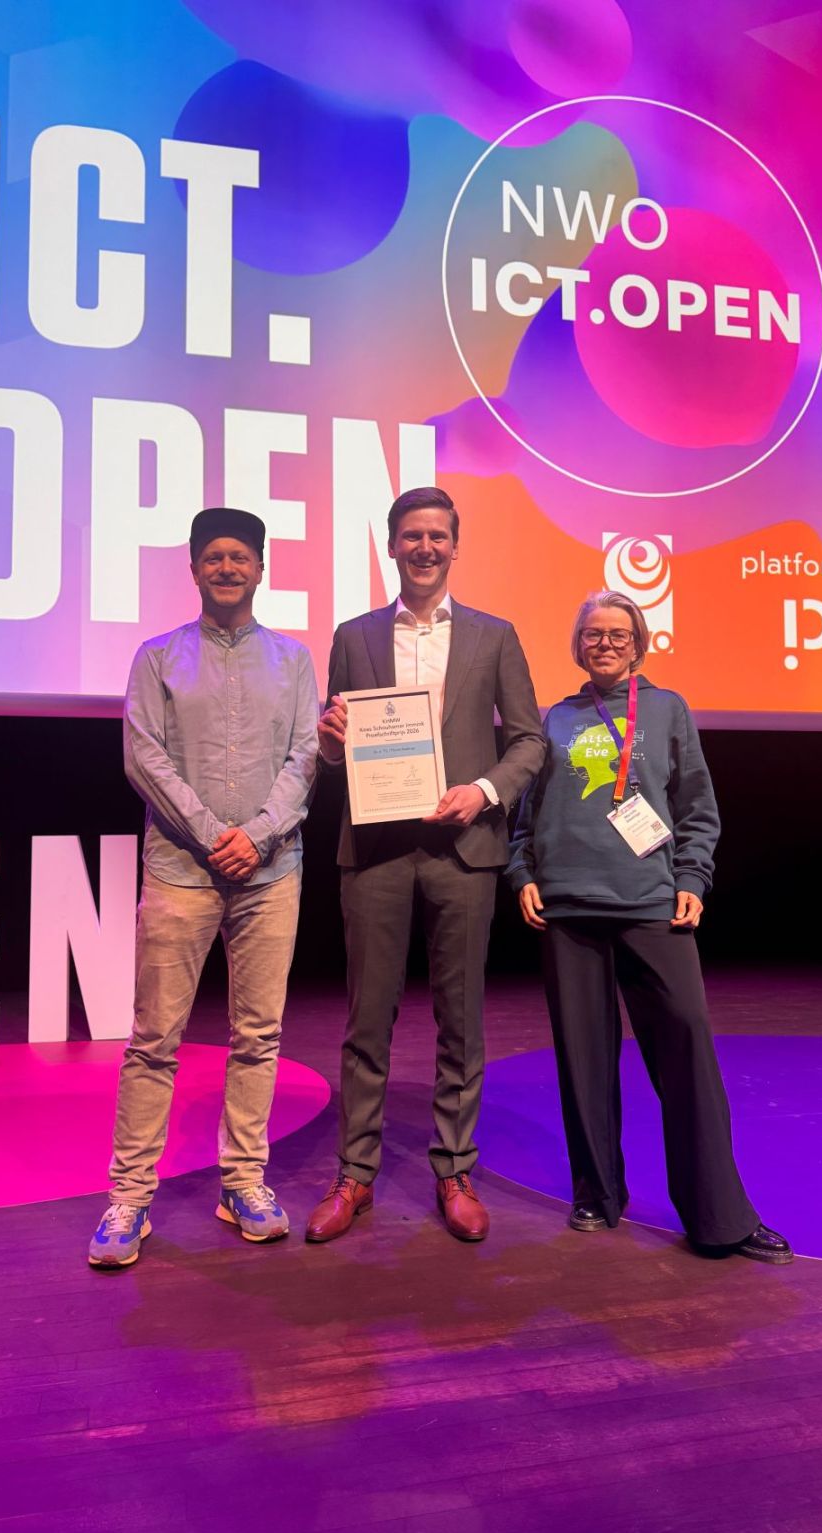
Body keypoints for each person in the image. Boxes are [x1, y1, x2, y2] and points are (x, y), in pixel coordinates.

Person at [505, 590, 792, 1264]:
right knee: (583, 1061)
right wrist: (522, 874)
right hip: (568, 908)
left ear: (638, 644)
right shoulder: (555, 717)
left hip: (651, 904)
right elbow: (526, 816)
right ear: (577, 644)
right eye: (593, 634)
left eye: (617, 634)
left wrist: (691, 879)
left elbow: (697, 808)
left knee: (688, 1054)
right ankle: (596, 1194)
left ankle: (719, 1217)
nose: (604, 644)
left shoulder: (667, 710)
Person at [307, 487, 545, 1243]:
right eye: (411, 535)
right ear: (391, 546)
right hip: (376, 849)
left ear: (455, 546)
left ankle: (454, 1167)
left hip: (462, 850)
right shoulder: (354, 636)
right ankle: (355, 1172)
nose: (425, 547)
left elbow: (529, 740)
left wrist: (484, 792)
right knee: (366, 1019)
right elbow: (338, 747)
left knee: (460, 1020)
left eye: (437, 536)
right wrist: (331, 745)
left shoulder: (494, 636)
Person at [88, 508, 318, 1268]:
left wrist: (258, 835)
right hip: (181, 871)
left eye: (239, 557)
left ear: (261, 569)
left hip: (270, 874)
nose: (227, 568)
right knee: (155, 1039)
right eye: (213, 557)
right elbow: (143, 757)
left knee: (259, 1037)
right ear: (193, 570)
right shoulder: (156, 657)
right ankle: (129, 1197)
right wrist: (213, 833)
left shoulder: (293, 660)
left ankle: (243, 1182)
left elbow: (304, 758)